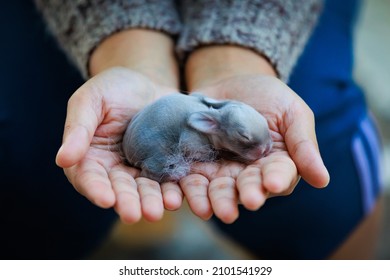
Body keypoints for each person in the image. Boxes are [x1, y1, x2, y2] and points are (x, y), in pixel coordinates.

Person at [0, 0, 382, 259]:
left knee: (329, 190)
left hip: (270, 12)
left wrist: (234, 58)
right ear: (208, 121)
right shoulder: (200, 122)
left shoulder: (208, 117)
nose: (261, 148)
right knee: (26, 172)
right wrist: (131, 53)